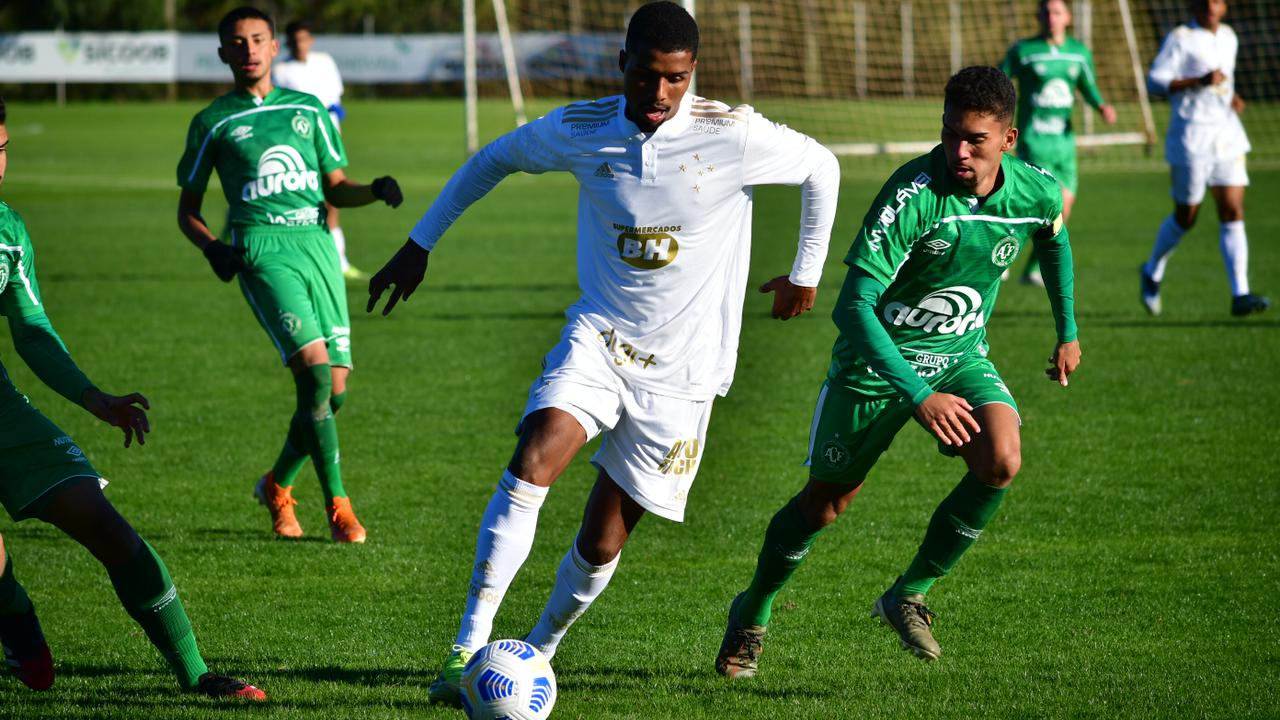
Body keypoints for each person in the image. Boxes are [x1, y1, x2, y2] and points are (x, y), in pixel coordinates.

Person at [366, 1, 839, 705]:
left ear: (692, 73)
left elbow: (822, 168)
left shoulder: (731, 133)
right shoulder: (583, 129)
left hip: (684, 372)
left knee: (602, 540)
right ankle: (468, 645)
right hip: (601, 338)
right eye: (647, 77)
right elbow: (492, 159)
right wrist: (420, 243)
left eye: (676, 79)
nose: (660, 95)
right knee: (535, 456)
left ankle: (538, 653)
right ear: (622, 66)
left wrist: (806, 272)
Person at [715, 66, 1080, 675]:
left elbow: (1054, 240)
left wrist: (1067, 331)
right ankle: (753, 610)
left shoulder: (1037, 190)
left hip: (960, 357)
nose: (958, 151)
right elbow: (852, 306)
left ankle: (909, 594)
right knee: (826, 506)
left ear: (1009, 141)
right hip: (875, 366)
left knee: (1002, 460)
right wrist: (917, 394)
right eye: (950, 133)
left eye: (976, 141)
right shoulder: (913, 194)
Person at [0, 97, 264, 700]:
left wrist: (94, 398)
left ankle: (195, 675)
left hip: (2, 410)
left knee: (105, 524)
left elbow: (32, 330)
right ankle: (16, 622)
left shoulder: (8, 230)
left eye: (2, 151)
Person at [176, 7, 403, 543]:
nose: (249, 49)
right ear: (224, 54)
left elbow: (335, 186)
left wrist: (372, 190)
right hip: (261, 250)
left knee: (334, 393)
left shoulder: (309, 110)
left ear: (274, 47)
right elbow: (188, 209)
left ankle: (276, 484)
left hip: (316, 246)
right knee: (317, 377)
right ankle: (339, 506)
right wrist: (213, 248)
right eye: (238, 42)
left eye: (258, 39)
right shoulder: (213, 121)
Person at [1140, 0, 1266, 316]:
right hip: (1191, 137)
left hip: (1226, 134)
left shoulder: (1229, 37)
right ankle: (1152, 269)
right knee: (1187, 216)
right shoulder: (1181, 37)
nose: (1211, 5)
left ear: (1225, 7)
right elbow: (1154, 80)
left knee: (1233, 209)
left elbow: (1223, 82)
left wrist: (1231, 96)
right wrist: (1199, 81)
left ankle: (1240, 293)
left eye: (1217, 1)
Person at [1000, 0, 1115, 287]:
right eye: (1046, 12)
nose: (1051, 18)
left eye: (1057, 12)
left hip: (1064, 145)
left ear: (1067, 17)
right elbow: (999, 83)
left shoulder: (1079, 54)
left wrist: (1101, 107)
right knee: (1035, 206)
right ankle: (1001, 254)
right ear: (1038, 16)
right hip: (1033, 140)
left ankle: (1032, 269)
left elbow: (1088, 87)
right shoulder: (1023, 51)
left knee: (1062, 210)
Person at [273, 20, 367, 282]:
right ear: (288, 43)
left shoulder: (324, 61)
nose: (300, 45)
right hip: (297, 141)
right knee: (297, 196)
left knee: (331, 197)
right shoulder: (280, 70)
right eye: (295, 40)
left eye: (304, 39)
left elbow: (336, 97)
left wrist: (334, 114)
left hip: (329, 139)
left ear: (311, 40)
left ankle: (340, 261)